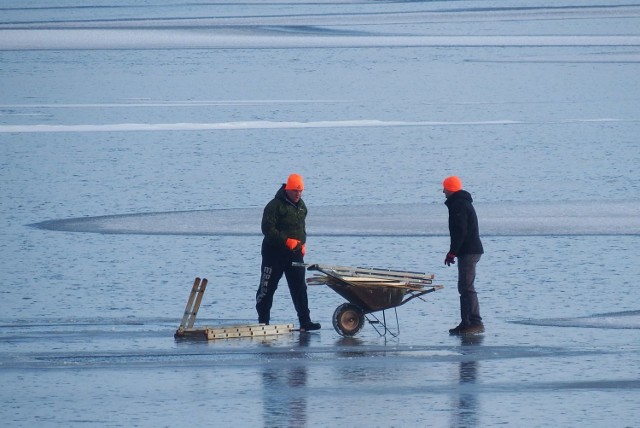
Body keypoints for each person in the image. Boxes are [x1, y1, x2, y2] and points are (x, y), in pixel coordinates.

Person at [255, 173, 321, 331]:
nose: (298, 194)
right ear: (287, 190)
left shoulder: (302, 207)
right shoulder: (274, 206)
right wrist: (285, 241)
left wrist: (302, 244)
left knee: (299, 287)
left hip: (295, 253)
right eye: (295, 191)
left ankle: (305, 321)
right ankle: (263, 321)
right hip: (274, 254)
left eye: (301, 191)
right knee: (267, 287)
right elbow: (267, 229)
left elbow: (301, 229)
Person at [442, 176, 485, 335]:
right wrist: (453, 251)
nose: (443, 191)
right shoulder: (460, 202)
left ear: (450, 189)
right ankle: (466, 322)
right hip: (469, 250)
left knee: (466, 287)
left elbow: (460, 232)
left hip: (469, 251)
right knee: (464, 287)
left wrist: (453, 252)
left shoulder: (458, 204)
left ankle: (474, 322)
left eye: (445, 188)